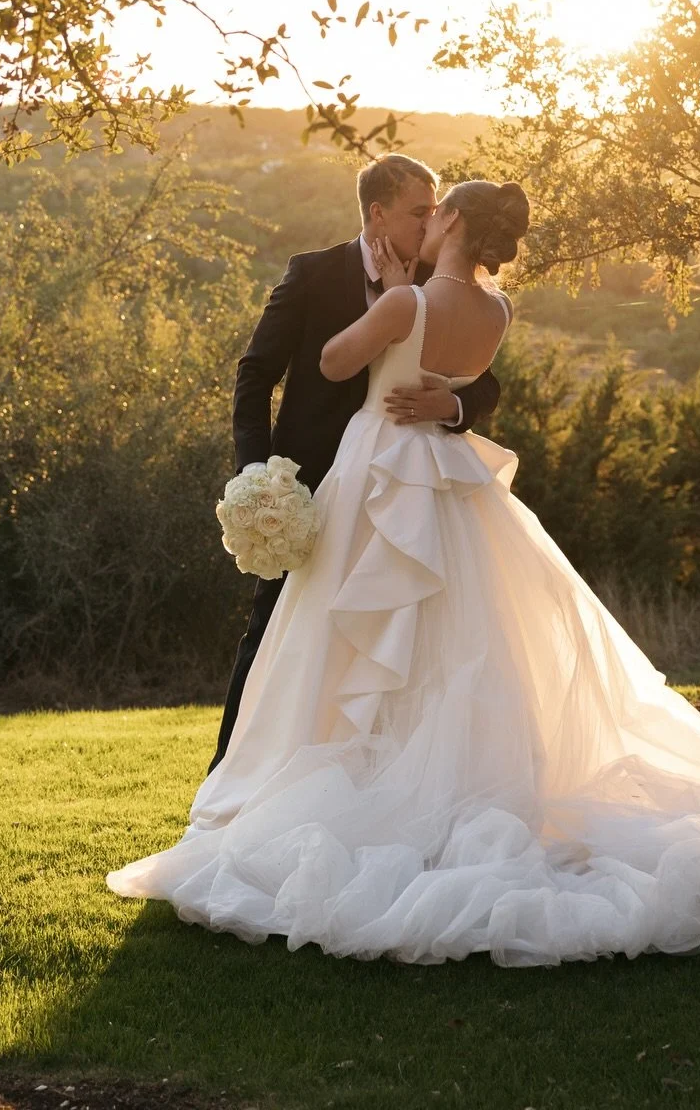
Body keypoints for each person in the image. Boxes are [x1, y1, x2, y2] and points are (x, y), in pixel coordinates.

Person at [109, 179, 700, 965]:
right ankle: (442, 787)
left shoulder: (405, 302)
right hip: (451, 486)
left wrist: (396, 312)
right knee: (462, 636)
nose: (428, 217)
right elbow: (469, 378)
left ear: (450, 224)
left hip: (380, 475)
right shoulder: (500, 310)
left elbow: (338, 362)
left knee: (357, 636)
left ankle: (362, 794)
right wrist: (443, 397)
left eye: (437, 210)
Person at [208, 153, 500, 771]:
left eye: (434, 212)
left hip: (407, 491)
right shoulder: (314, 275)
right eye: (419, 213)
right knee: (277, 635)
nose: (429, 226)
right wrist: (257, 473)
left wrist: (452, 403)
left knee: (400, 644)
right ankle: (230, 776)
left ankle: (374, 777)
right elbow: (256, 374)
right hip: (312, 485)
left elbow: (486, 383)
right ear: (378, 212)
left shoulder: (435, 285)